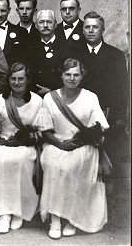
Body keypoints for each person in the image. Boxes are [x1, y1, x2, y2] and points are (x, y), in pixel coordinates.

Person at [39, 58, 109, 238]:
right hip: (56, 143)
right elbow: (44, 129)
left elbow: (98, 128)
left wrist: (77, 143)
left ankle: (72, 218)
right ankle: (55, 218)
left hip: (83, 146)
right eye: (68, 74)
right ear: (61, 75)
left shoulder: (90, 97)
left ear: (82, 76)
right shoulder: (50, 98)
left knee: (74, 166)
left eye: (76, 74)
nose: (72, 78)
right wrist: (61, 144)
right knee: (55, 165)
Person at [0, 62, 44, 234]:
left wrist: (25, 138)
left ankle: (20, 212)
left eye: (21, 79)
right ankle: (4, 213)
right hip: (2, 142)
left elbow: (41, 129)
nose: (17, 82)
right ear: (8, 80)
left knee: (21, 161)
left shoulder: (37, 101)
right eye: (13, 79)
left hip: (25, 145)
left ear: (28, 80)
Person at [75, 12, 129, 161]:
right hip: (81, 115)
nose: (91, 30)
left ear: (103, 30)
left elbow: (122, 88)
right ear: (83, 30)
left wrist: (119, 117)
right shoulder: (75, 54)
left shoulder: (116, 55)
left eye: (95, 27)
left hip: (108, 116)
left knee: (107, 163)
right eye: (87, 27)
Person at [23, 9, 71, 94]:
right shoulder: (29, 48)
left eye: (49, 22)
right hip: (34, 95)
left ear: (55, 24)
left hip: (60, 95)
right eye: (41, 22)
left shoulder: (66, 47)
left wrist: (51, 91)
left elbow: (70, 74)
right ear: (36, 25)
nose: (45, 25)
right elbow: (26, 74)